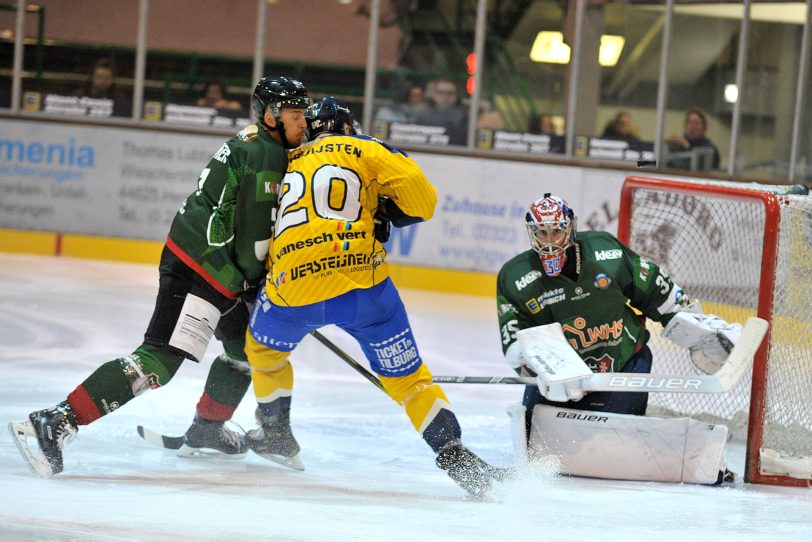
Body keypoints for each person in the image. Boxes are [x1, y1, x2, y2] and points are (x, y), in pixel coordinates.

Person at [8, 76, 311, 477]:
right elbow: (254, 238)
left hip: (215, 266)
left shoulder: (257, 141)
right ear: (271, 115)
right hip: (201, 268)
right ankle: (55, 421)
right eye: (295, 114)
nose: (302, 124)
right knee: (159, 359)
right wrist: (256, 283)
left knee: (244, 349)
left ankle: (206, 430)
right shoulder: (267, 156)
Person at [243, 96, 507, 499]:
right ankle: (451, 451)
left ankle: (276, 434)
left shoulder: (287, 160)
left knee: (262, 353)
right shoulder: (365, 146)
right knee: (410, 382)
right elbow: (424, 202)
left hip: (290, 288)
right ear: (348, 126)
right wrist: (384, 212)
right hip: (362, 288)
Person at [495, 193, 743, 482]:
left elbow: (653, 289)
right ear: (531, 233)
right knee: (535, 451)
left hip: (623, 365)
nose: (550, 240)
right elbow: (515, 342)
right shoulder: (515, 278)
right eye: (542, 232)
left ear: (570, 227)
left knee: (615, 441)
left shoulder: (605, 251)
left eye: (557, 230)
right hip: (564, 380)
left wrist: (694, 328)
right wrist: (544, 369)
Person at [416, 77, 468, 145]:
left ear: (456, 96)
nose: (445, 97)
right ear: (433, 94)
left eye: (450, 93)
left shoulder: (464, 115)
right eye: (441, 92)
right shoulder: (422, 112)